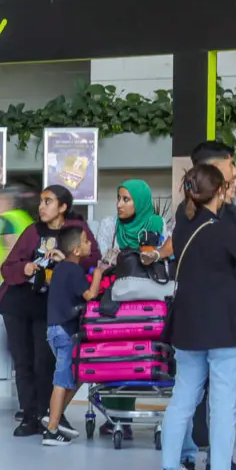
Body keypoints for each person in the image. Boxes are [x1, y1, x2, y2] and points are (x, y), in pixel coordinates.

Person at [145, 141, 236, 470]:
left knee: (183, 396)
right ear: (219, 187)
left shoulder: (183, 215)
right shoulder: (226, 224)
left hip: (187, 322)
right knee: (223, 402)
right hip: (224, 324)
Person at [0, 185, 98, 437]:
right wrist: (26, 268)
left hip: (52, 304)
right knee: (23, 362)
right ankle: (29, 415)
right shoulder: (32, 232)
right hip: (20, 301)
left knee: (46, 361)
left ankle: (50, 414)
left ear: (63, 207)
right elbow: (8, 265)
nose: (41, 207)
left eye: (48, 202)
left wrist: (63, 258)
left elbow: (92, 257)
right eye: (41, 201)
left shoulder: (77, 230)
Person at [93, 179, 165, 436]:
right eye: (119, 198)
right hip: (117, 297)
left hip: (146, 299)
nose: (120, 204)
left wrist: (151, 254)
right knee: (115, 351)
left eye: (126, 199)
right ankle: (115, 415)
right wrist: (109, 257)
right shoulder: (109, 225)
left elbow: (164, 255)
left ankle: (123, 412)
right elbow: (100, 259)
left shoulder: (157, 224)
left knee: (140, 353)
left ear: (140, 201)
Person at [43, 226, 107, 446]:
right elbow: (90, 295)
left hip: (53, 330)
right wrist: (98, 274)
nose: (90, 243)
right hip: (65, 333)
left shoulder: (61, 269)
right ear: (77, 251)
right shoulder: (74, 271)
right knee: (61, 381)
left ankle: (55, 415)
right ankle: (51, 430)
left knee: (76, 376)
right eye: (86, 240)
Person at [0, 183, 38, 303]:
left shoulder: (8, 220)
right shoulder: (23, 218)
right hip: (23, 285)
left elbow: (10, 253)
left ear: (8, 202)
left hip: (9, 289)